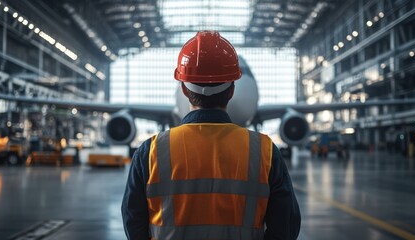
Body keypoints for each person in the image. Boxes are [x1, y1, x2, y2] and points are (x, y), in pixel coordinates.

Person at [122, 31, 301, 240]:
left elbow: (133, 221)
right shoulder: (265, 151)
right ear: (232, 88)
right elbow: (286, 227)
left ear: (184, 88)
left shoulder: (150, 152)